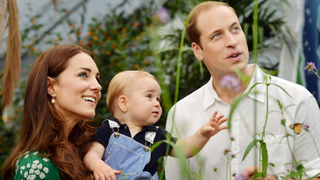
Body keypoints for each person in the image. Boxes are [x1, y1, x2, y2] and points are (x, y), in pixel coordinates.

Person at [165, 1, 320, 180]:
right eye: (217, 35)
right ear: (198, 51)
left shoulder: (297, 99)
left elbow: (315, 174)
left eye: (235, 29)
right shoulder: (181, 113)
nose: (232, 41)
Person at [83, 70, 228, 180]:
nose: (157, 103)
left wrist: (202, 135)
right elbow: (92, 154)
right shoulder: (109, 129)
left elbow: (185, 149)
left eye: (158, 98)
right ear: (124, 103)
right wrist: (98, 166)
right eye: (149, 96)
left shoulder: (157, 135)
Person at [3, 45, 102, 180]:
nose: (97, 86)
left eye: (97, 78)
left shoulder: (92, 150)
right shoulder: (37, 166)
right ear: (50, 87)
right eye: (83, 75)